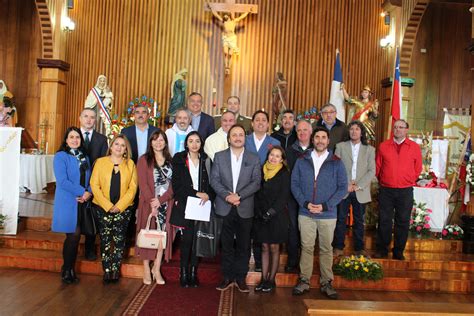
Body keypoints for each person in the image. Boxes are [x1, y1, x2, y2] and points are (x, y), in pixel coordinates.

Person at [291, 126, 347, 299]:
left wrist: (326, 205)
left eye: (324, 137)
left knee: (325, 248)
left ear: (328, 141)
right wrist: (305, 203)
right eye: (317, 137)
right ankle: (304, 280)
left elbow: (342, 187)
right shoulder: (302, 160)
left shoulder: (336, 161)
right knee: (306, 247)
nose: (320, 140)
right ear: (313, 140)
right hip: (306, 212)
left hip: (328, 214)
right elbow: (294, 184)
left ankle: (326, 282)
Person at [211, 124, 261, 293]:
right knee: (225, 245)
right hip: (225, 206)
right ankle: (227, 277)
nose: (238, 137)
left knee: (244, 245)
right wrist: (227, 196)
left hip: (244, 206)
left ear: (244, 138)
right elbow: (214, 180)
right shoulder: (219, 157)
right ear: (229, 138)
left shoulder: (253, 158)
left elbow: (256, 182)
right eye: (234, 135)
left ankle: (240, 278)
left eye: (241, 135)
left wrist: (238, 195)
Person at [90, 134, 138, 283]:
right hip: (102, 208)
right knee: (105, 239)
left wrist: (120, 206)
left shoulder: (130, 164)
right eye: (116, 144)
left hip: (123, 209)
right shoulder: (100, 162)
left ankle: (115, 269)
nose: (119, 147)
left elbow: (133, 188)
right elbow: (94, 185)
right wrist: (108, 206)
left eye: (122, 145)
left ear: (125, 149)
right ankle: (107, 270)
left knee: (119, 239)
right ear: (111, 146)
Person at [171, 131, 215, 288]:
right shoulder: (179, 159)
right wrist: (196, 193)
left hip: (202, 206)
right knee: (187, 240)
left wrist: (208, 195)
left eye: (197, 141)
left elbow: (212, 183)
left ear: (201, 143)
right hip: (186, 204)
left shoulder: (206, 160)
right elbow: (177, 185)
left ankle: (193, 273)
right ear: (186, 143)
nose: (194, 144)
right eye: (191, 141)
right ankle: (183, 273)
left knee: (198, 241)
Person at [375, 119, 422, 260]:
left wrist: (408, 179)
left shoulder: (414, 147)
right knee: (384, 220)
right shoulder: (383, 146)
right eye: (395, 127)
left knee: (402, 221)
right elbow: (378, 167)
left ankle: (398, 251)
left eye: (401, 127)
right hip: (386, 190)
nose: (397, 130)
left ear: (406, 130)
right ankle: (382, 250)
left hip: (405, 190)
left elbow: (418, 168)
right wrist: (385, 180)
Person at [52, 127, 92, 284]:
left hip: (83, 201)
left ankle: (68, 268)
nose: (75, 140)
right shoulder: (61, 156)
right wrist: (82, 192)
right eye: (71, 137)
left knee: (77, 235)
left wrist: (87, 193)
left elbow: (90, 178)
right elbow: (62, 181)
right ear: (66, 140)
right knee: (73, 235)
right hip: (68, 200)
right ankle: (67, 269)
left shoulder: (84, 157)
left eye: (77, 137)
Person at [136, 130, 174, 285]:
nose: (158, 142)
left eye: (161, 140)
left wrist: (162, 200)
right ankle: (146, 268)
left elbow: (174, 186)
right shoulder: (144, 159)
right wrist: (153, 203)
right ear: (150, 142)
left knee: (161, 238)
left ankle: (156, 268)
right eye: (155, 140)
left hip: (166, 205)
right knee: (148, 235)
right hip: (148, 204)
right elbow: (143, 184)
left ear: (165, 142)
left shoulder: (171, 161)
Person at [333, 121, 376, 257]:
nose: (354, 131)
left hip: (360, 190)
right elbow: (336, 168)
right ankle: (338, 246)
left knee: (359, 220)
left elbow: (371, 171)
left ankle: (359, 248)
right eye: (352, 129)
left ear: (361, 132)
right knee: (340, 219)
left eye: (357, 129)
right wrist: (346, 184)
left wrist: (358, 185)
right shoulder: (340, 147)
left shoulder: (369, 150)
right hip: (343, 189)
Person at [245, 110, 280, 271]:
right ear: (252, 123)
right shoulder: (244, 140)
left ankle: (259, 262)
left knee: (260, 227)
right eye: (257, 120)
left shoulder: (274, 142)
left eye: (263, 120)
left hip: (266, 191)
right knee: (246, 226)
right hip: (246, 189)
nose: (260, 122)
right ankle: (244, 259)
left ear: (268, 124)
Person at [253, 146, 290, 293]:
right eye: (271, 155)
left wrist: (270, 212)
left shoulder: (284, 174)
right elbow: (256, 192)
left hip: (276, 216)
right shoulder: (262, 170)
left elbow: (283, 197)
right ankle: (263, 278)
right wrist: (260, 212)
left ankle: (271, 279)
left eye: (277, 156)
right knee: (264, 247)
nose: (273, 158)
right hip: (261, 216)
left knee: (274, 248)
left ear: (282, 159)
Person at [79, 108, 108, 261]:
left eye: (92, 117)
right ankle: (74, 246)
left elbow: (102, 164)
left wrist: (92, 188)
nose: (89, 120)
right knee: (75, 218)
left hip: (94, 185)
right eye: (86, 116)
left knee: (91, 219)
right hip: (76, 185)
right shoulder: (72, 136)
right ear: (80, 118)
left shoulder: (101, 139)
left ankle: (90, 250)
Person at [284, 119, 313, 273]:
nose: (302, 133)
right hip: (293, 196)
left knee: (308, 230)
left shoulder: (317, 150)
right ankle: (292, 260)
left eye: (305, 130)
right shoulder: (288, 151)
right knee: (293, 229)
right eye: (299, 130)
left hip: (312, 198)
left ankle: (307, 263)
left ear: (311, 132)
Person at [208, 4, 253, 71]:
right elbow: (216, 15)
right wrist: (211, 8)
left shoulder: (234, 21)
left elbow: (242, 17)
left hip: (232, 39)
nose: (224, 16)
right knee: (226, 53)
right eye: (224, 15)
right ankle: (226, 67)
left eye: (225, 15)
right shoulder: (224, 22)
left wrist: (248, 11)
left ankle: (229, 67)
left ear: (228, 16)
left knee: (230, 54)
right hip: (226, 38)